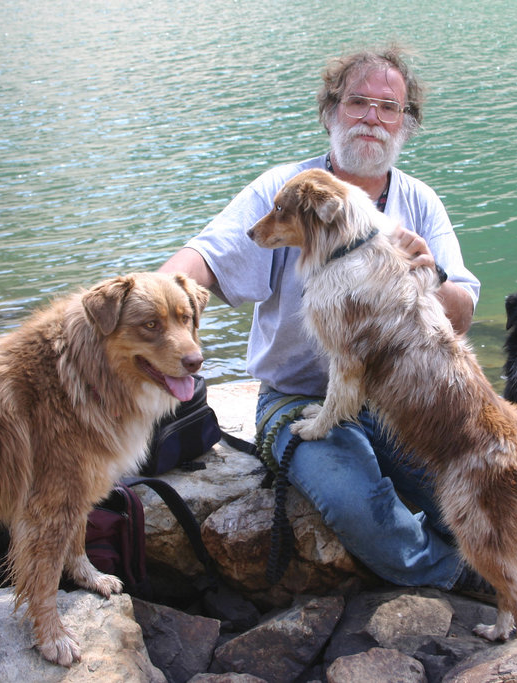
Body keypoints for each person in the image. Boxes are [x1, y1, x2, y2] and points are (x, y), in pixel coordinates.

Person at [161, 45, 488, 593]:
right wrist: (150, 301)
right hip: (296, 397)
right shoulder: (287, 192)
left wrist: (424, 276)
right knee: (357, 505)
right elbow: (207, 260)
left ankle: (489, 561)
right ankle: (461, 578)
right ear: (330, 110)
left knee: (464, 487)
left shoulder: (420, 203)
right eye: (357, 101)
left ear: (406, 123)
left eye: (389, 107)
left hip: (395, 397)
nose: (372, 117)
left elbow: (462, 315)